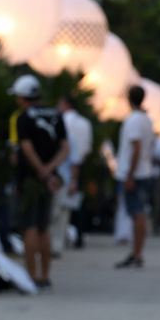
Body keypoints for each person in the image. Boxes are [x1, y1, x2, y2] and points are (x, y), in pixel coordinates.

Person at [9, 75, 69, 290]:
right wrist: (51, 169)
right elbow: (65, 147)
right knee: (44, 227)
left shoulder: (23, 117)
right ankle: (45, 275)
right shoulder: (56, 114)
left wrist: (41, 170)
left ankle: (31, 275)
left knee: (30, 227)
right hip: (50, 180)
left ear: (23, 97)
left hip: (30, 179)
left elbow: (26, 147)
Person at [115, 86, 156, 269]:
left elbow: (136, 148)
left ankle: (137, 253)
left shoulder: (133, 120)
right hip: (143, 171)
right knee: (137, 213)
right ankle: (136, 252)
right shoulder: (146, 119)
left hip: (136, 173)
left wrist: (129, 175)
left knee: (137, 213)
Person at [57, 96, 93, 249]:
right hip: (79, 165)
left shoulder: (61, 121)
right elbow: (87, 149)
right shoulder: (85, 123)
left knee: (61, 207)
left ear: (66, 105)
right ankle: (79, 236)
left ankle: (60, 238)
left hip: (63, 167)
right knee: (77, 204)